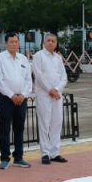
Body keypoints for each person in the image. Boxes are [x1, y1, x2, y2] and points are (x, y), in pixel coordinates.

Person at [0, 32, 33, 169]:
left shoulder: (23, 58)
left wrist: (23, 95)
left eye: (16, 42)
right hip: (6, 99)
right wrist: (11, 95)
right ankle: (4, 158)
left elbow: (28, 80)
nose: (14, 44)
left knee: (19, 128)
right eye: (11, 42)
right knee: (5, 129)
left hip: (21, 99)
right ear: (6, 43)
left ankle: (18, 157)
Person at [32, 33, 68, 164]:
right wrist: (50, 90)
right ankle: (45, 153)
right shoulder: (38, 56)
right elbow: (39, 75)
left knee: (56, 123)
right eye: (48, 40)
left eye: (53, 41)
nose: (51, 43)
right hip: (44, 95)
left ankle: (55, 152)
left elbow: (64, 77)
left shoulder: (58, 58)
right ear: (44, 42)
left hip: (57, 95)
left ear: (56, 43)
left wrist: (57, 89)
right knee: (44, 124)